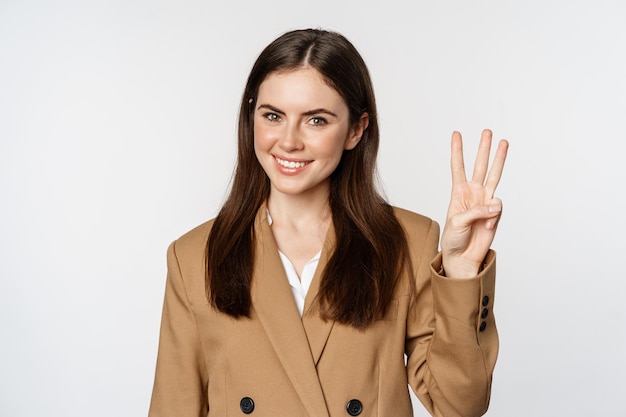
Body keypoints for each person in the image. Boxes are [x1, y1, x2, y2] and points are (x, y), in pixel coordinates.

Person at [148, 28, 508, 417]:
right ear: (250, 117)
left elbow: (459, 404)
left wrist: (459, 273)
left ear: (356, 129)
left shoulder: (407, 242)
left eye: (316, 121)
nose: (288, 141)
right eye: (272, 116)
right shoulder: (194, 257)